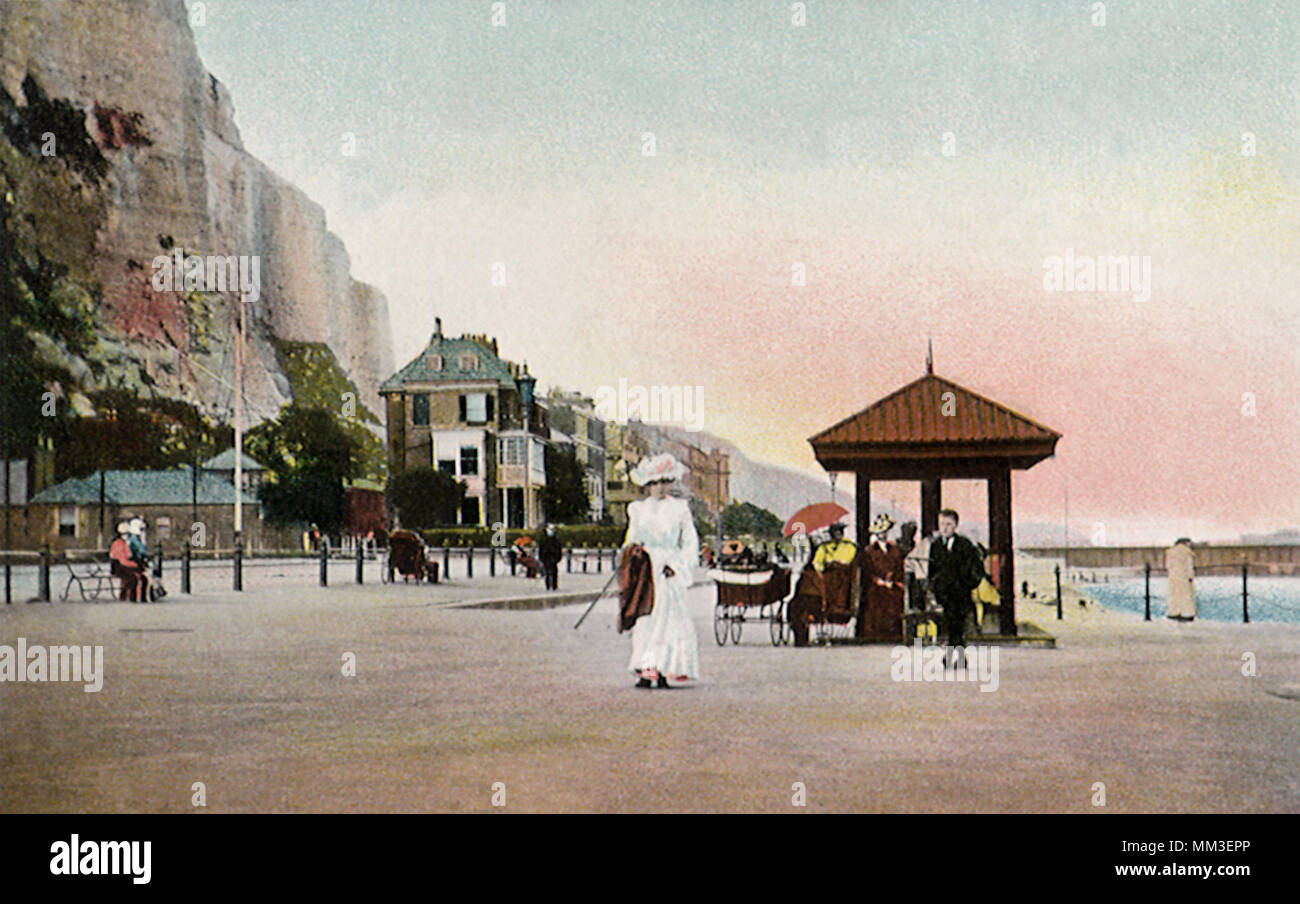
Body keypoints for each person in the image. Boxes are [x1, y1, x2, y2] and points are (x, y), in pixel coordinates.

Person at [622, 453, 700, 689]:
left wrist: (676, 566)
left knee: (668, 622)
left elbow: (689, 543)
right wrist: (631, 555)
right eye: (655, 482)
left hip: (668, 570)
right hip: (646, 569)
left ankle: (665, 669)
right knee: (645, 620)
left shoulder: (680, 509)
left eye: (665, 482)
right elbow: (631, 539)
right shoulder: (637, 509)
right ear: (647, 485)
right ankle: (646, 671)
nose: (660, 487)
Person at [927, 509, 983, 666]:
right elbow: (932, 570)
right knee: (949, 625)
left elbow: (977, 569)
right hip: (944, 594)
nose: (945, 528)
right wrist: (935, 588)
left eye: (949, 524)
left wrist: (968, 584)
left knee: (957, 624)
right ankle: (958, 657)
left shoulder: (965, 545)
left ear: (956, 526)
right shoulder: (936, 545)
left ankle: (951, 656)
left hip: (961, 593)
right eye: (942, 524)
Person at [788, 522, 858, 646]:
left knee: (834, 580)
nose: (836, 535)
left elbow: (849, 561)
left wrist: (837, 563)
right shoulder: (824, 547)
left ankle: (826, 603)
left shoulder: (849, 546)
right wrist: (821, 569)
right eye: (834, 533)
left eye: (838, 533)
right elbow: (817, 562)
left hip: (841, 574)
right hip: (826, 572)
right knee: (810, 577)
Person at [861, 513, 906, 641]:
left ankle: (894, 634)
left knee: (896, 599)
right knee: (877, 601)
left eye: (886, 531)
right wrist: (879, 581)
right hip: (876, 586)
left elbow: (900, 568)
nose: (883, 534)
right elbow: (868, 571)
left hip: (893, 584)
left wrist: (895, 579)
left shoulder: (895, 550)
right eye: (881, 532)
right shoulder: (869, 551)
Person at [109, 521, 144, 602]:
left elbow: (128, 556)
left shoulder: (123, 543)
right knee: (133, 577)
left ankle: (137, 596)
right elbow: (123, 560)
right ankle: (131, 597)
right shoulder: (117, 544)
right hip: (119, 567)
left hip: (124, 566)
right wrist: (134, 565)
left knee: (140, 576)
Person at [1165, 537, 1196, 621]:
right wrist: (1190, 577)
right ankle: (1187, 614)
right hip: (1183, 576)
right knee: (1185, 596)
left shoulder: (1170, 552)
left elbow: (1168, 566)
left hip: (1173, 577)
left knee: (1174, 595)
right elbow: (1189, 566)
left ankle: (1174, 612)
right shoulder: (1187, 552)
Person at [126, 517, 151, 602]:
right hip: (135, 561)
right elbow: (142, 550)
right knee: (141, 579)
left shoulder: (134, 538)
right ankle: (139, 598)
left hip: (137, 561)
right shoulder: (134, 539)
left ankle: (138, 597)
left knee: (142, 579)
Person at [538, 525, 563, 591]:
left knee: (553, 572)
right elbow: (541, 550)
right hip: (547, 558)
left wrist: (557, 558)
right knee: (548, 572)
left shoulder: (555, 540)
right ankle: (549, 585)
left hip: (552, 558)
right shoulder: (545, 540)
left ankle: (553, 586)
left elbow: (559, 550)